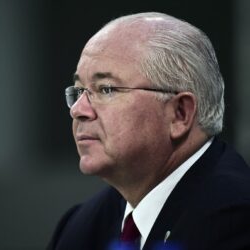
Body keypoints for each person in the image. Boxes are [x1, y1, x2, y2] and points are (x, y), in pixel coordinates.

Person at [47, 12, 250, 250]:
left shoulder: (236, 220)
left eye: (106, 89)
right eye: (79, 91)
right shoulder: (79, 228)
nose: (78, 110)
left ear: (179, 114)